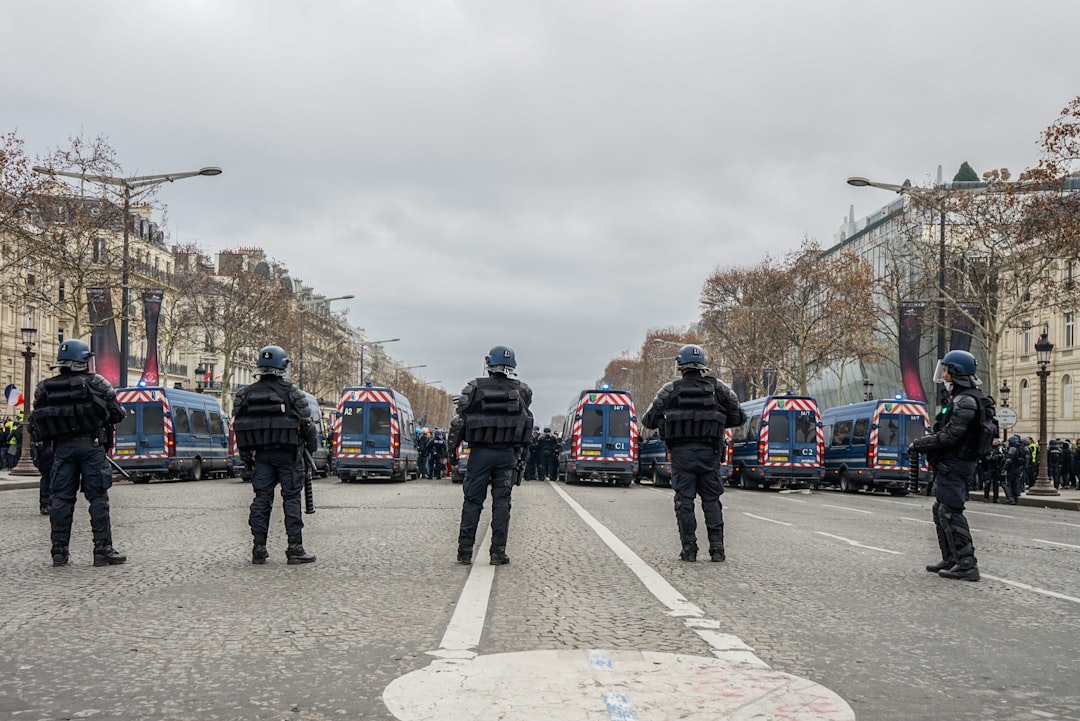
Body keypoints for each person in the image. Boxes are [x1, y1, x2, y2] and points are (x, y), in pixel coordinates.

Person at [640, 344, 746, 562]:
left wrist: (668, 420)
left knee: (684, 503)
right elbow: (739, 417)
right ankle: (717, 549)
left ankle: (689, 549)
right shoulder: (719, 389)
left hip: (682, 456)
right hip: (710, 455)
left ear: (680, 366)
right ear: (703, 366)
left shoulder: (670, 390)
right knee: (711, 501)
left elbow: (648, 420)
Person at [30, 340, 127, 567]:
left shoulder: (45, 387)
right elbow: (116, 414)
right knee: (98, 499)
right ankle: (102, 550)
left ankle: (59, 552)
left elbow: (40, 416)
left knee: (61, 500)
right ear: (84, 361)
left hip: (61, 449)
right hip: (91, 447)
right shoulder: (98, 383)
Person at [448, 344, 533, 566]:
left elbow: (459, 422)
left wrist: (451, 455)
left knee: (472, 502)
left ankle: (464, 552)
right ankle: (498, 552)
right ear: (512, 365)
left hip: (480, 454)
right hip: (507, 455)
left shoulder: (474, 386)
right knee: (502, 503)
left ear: (488, 363)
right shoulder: (523, 390)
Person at [233, 345, 318, 565]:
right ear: (283, 366)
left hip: (260, 457)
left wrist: (246, 459)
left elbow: (239, 428)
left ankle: (258, 549)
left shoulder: (244, 394)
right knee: (291, 500)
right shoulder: (293, 393)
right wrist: (311, 448)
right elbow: (308, 425)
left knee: (261, 500)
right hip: (289, 456)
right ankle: (295, 549)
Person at [909, 349, 989, 581]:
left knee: (951, 512)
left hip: (956, 464)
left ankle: (967, 564)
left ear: (956, 372)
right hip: (952, 463)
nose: (943, 375)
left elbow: (950, 435)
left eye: (945, 370)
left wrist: (921, 443)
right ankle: (952, 558)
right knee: (941, 510)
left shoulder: (966, 401)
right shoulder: (962, 398)